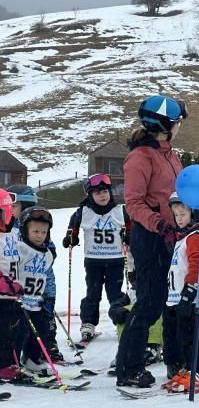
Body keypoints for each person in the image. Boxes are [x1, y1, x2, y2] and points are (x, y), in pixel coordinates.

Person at [115, 94, 187, 388]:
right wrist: (159, 224)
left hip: (176, 237)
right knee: (150, 303)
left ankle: (175, 359)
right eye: (178, 122)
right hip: (151, 237)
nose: (180, 127)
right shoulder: (140, 157)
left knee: (174, 301)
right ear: (164, 125)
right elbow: (133, 202)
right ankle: (129, 366)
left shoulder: (171, 155)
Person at [160, 192, 199, 390]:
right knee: (183, 338)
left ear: (194, 214)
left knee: (192, 337)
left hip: (193, 298)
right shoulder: (182, 238)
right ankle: (191, 369)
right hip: (179, 298)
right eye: (176, 215)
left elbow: (197, 265)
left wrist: (190, 290)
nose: (179, 219)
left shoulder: (195, 237)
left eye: (183, 214)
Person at [62, 173, 130, 343]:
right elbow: (73, 229)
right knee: (93, 292)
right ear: (90, 195)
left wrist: (130, 236)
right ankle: (88, 324)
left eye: (105, 191)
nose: (102, 195)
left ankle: (121, 322)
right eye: (98, 193)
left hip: (115, 260)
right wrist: (71, 238)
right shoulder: (83, 212)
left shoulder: (120, 211)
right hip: (93, 261)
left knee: (115, 294)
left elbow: (130, 228)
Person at [6, 184, 63, 362]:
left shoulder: (36, 224)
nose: (10, 209)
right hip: (21, 283)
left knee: (44, 316)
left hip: (42, 280)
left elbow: (50, 249)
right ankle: (14, 356)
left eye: (14, 206)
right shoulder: (10, 227)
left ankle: (48, 345)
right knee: (19, 323)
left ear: (25, 207)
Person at [15, 206, 57, 375]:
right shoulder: (19, 249)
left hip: (37, 302)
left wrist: (48, 298)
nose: (40, 236)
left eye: (44, 232)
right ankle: (11, 362)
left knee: (40, 332)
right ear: (25, 230)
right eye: (36, 231)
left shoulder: (47, 254)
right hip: (19, 303)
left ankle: (31, 359)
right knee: (17, 334)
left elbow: (47, 277)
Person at [0, 188, 24, 381]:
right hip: (3, 293)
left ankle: (11, 361)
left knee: (15, 329)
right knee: (3, 331)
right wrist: (6, 284)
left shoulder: (13, 233)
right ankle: (3, 365)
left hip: (13, 293)